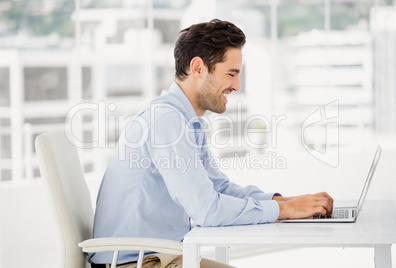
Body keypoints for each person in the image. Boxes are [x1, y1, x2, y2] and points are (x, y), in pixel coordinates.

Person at [89, 19, 333, 268]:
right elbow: (207, 210)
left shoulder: (184, 120)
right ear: (198, 68)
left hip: (157, 256)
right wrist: (283, 211)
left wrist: (286, 202)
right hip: (133, 263)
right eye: (231, 74)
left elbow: (219, 188)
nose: (237, 86)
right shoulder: (166, 120)